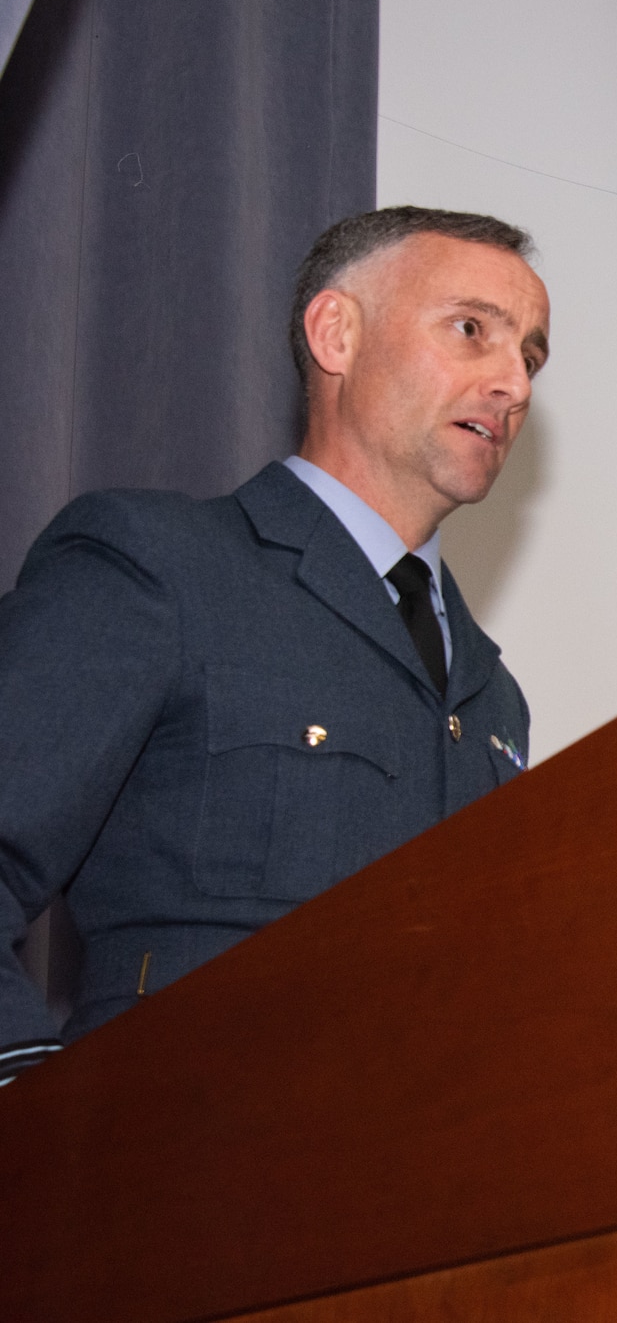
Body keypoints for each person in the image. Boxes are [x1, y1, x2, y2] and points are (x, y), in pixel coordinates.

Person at [0, 206, 548, 1079]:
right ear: (337, 333)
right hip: (165, 1182)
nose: (514, 383)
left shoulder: (492, 694)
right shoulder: (160, 565)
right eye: (472, 329)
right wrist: (32, 1128)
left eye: (529, 355)